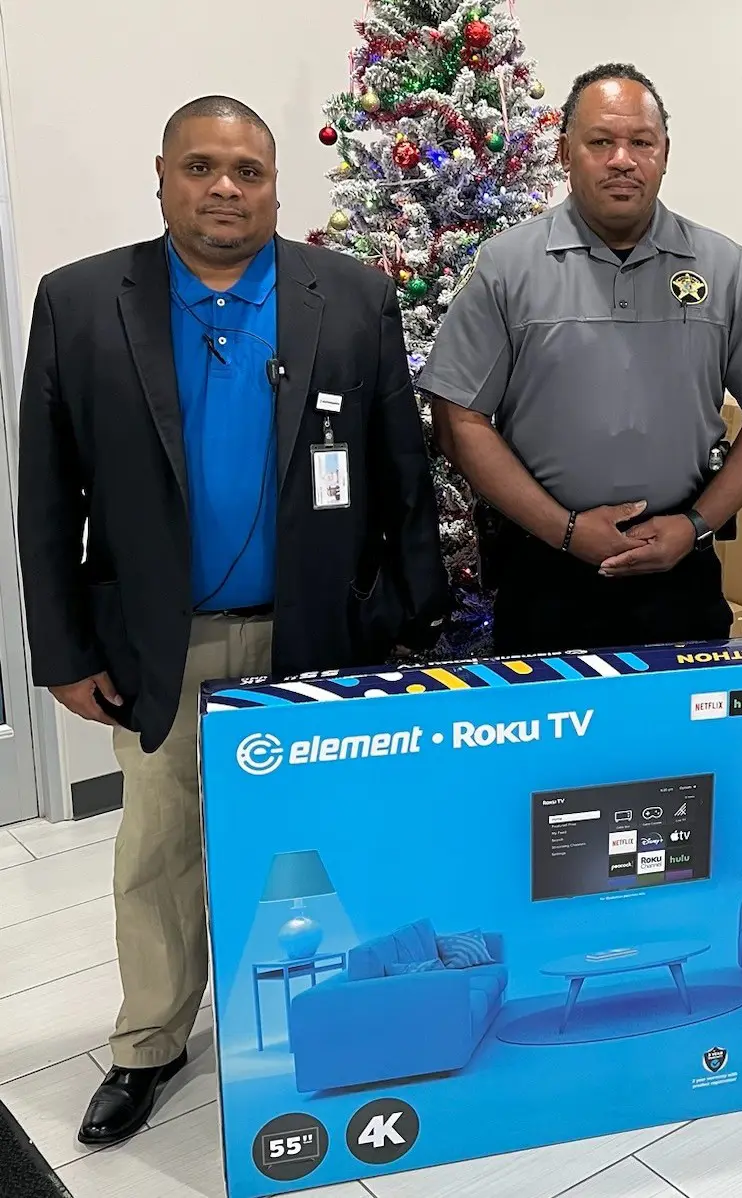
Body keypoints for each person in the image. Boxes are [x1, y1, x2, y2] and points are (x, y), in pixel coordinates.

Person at [17, 95, 448, 1145]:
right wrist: (63, 648)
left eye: (247, 171)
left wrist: (402, 614)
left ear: (274, 186)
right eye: (201, 167)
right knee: (160, 850)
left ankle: (328, 1024)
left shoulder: (345, 294)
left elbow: (401, 471)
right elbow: (45, 490)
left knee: (312, 845)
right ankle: (151, 1042)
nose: (224, 188)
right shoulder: (80, 302)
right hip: (162, 641)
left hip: (316, 637)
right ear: (160, 176)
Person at [419, 63, 742, 654]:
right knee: (551, 740)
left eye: (640, 142)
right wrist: (566, 531)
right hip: (545, 572)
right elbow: (457, 420)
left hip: (679, 569)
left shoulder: (725, 270)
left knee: (683, 742)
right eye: (600, 141)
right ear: (564, 151)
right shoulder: (509, 266)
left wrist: (695, 526)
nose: (622, 158)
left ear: (664, 153)